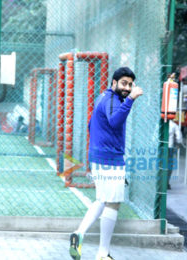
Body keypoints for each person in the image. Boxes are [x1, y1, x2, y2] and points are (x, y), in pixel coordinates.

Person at [69, 67, 143, 260]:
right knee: (113, 203)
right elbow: (115, 122)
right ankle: (102, 254)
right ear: (114, 82)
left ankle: (79, 234)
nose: (127, 88)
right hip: (109, 159)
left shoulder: (105, 97)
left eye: (130, 84)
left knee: (102, 200)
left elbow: (91, 124)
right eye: (124, 83)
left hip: (101, 157)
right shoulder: (112, 99)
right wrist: (131, 99)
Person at [168, 119, 183, 189]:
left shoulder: (159, 124)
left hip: (160, 148)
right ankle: (167, 182)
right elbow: (179, 137)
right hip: (169, 148)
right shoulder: (174, 125)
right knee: (169, 166)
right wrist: (178, 144)